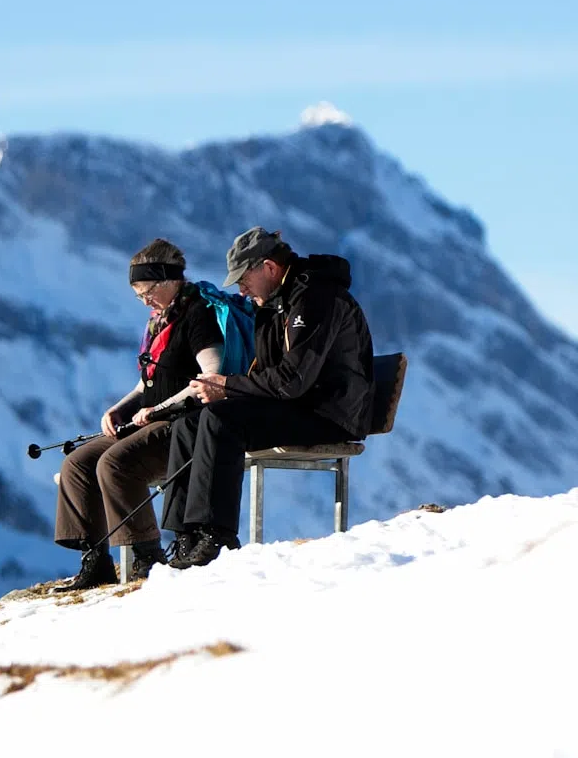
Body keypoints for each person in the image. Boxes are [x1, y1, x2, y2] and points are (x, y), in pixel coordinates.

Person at [160, 227, 375, 569]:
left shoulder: (316, 297)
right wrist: (226, 388)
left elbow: (293, 380)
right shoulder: (274, 304)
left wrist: (228, 386)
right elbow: (269, 376)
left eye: (244, 278)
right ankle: (185, 534)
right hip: (296, 405)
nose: (241, 289)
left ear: (270, 268)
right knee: (191, 423)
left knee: (221, 420)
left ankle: (216, 534)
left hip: (329, 412)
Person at [53, 238, 225, 589]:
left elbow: (210, 375)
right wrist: (120, 408)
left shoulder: (197, 315)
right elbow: (147, 383)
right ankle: (94, 559)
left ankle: (148, 558)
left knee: (116, 464)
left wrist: (158, 408)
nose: (144, 300)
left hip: (184, 426)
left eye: (147, 290)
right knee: (77, 464)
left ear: (169, 280)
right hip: (151, 420)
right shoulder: (159, 320)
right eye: (138, 294)